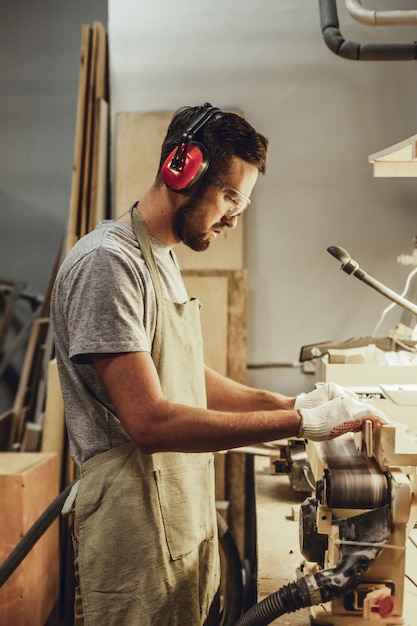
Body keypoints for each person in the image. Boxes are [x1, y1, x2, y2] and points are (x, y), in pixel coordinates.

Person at [50, 103, 387, 626]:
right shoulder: (108, 266)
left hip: (178, 522)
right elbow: (149, 421)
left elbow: (182, 373)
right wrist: (299, 424)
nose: (234, 217)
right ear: (181, 169)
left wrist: (291, 401)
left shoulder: (159, 256)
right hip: (133, 535)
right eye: (230, 196)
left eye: (242, 202)